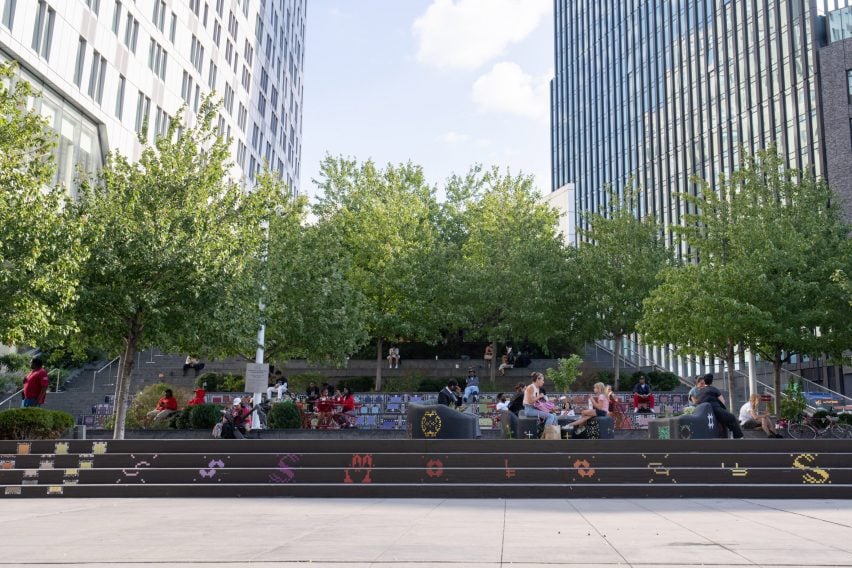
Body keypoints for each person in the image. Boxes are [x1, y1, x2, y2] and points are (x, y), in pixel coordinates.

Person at [697, 374, 743, 439]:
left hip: (705, 412)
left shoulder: (700, 391)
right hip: (716, 410)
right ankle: (738, 437)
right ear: (712, 381)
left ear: (704, 381)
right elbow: (723, 402)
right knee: (732, 418)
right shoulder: (714, 389)